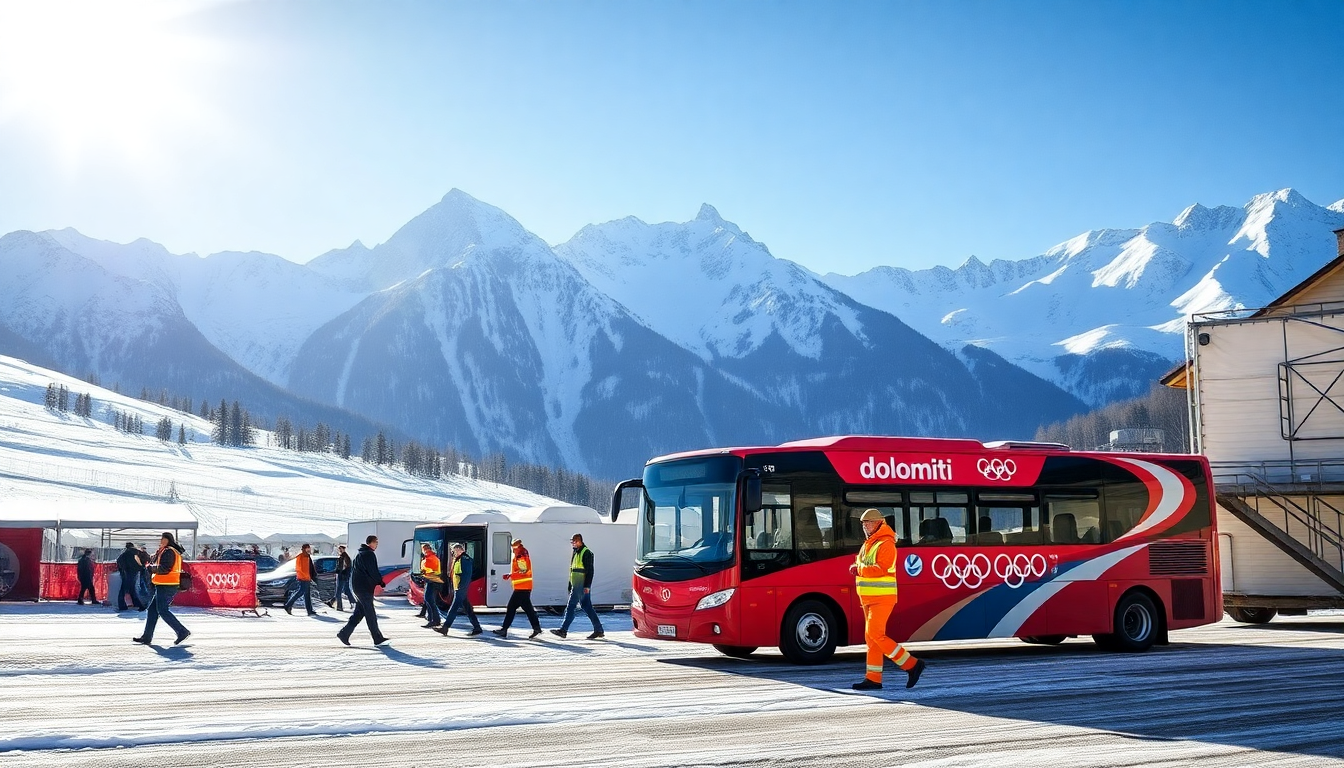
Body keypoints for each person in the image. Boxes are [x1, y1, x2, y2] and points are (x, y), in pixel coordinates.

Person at [850, 509, 925, 690]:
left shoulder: (886, 543)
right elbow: (863, 564)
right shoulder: (869, 544)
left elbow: (881, 568)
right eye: (863, 524)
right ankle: (873, 679)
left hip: (882, 598)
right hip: (868, 598)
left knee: (876, 634)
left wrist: (859, 569)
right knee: (872, 639)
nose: (865, 526)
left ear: (878, 523)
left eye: (868, 523)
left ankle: (912, 665)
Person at [134, 532, 190, 646]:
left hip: (167, 585)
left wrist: (151, 569)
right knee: (152, 610)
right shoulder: (167, 550)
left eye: (162, 538)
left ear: (167, 539)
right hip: (165, 584)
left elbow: (165, 568)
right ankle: (147, 636)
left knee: (162, 610)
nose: (160, 541)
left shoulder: (169, 551)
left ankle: (182, 631)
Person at [337, 535, 388, 646]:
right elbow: (372, 571)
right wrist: (380, 581)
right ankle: (377, 637)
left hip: (358, 587)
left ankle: (344, 634)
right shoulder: (368, 554)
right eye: (376, 542)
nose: (377, 545)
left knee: (359, 613)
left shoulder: (360, 553)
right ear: (370, 543)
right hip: (364, 588)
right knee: (370, 613)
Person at [551, 534, 604, 640]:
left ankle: (563, 630)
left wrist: (587, 586)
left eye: (573, 542)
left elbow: (590, 571)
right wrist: (570, 585)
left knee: (571, 606)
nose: (572, 544)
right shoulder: (576, 552)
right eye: (572, 542)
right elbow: (573, 570)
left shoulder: (586, 553)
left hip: (581, 585)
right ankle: (599, 630)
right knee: (587, 607)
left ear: (579, 541)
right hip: (577, 584)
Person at [492, 538, 542, 639]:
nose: (513, 550)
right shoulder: (522, 554)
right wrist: (511, 575)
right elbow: (523, 570)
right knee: (528, 609)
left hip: (522, 587)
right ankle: (536, 628)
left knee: (511, 607)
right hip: (524, 586)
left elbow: (523, 571)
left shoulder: (521, 556)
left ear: (517, 547)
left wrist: (511, 576)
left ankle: (504, 629)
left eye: (513, 548)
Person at [435, 543, 482, 636]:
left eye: (454, 550)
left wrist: (461, 587)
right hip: (458, 588)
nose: (453, 553)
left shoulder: (465, 560)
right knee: (468, 609)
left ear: (459, 549)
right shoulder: (458, 559)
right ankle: (477, 627)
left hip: (460, 588)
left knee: (453, 608)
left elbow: (466, 575)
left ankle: (445, 627)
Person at [284, 543, 317, 616]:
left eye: (309, 548)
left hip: (307, 578)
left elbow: (310, 567)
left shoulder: (308, 556)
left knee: (307, 595)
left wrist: (311, 576)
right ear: (304, 549)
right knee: (300, 592)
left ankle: (309, 610)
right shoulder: (300, 557)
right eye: (308, 548)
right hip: (303, 578)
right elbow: (299, 568)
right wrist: (305, 576)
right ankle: (288, 605)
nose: (309, 549)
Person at [419, 543, 444, 629]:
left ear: (425, 549)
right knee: (428, 600)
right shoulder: (430, 558)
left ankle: (435, 620)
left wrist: (423, 574)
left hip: (432, 581)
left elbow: (430, 571)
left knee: (429, 600)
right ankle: (432, 619)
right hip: (432, 581)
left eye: (422, 549)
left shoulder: (430, 558)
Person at [115, 542, 146, 612]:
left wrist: (122, 569)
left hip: (126, 573)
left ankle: (122, 605)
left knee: (124, 590)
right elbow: (138, 563)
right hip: (133, 573)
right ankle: (139, 605)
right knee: (132, 589)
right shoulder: (135, 553)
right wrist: (141, 568)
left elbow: (119, 561)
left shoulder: (124, 554)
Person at [328, 544, 355, 611]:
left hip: (342, 576)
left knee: (338, 592)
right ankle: (353, 603)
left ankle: (339, 606)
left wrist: (339, 572)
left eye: (340, 549)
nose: (339, 550)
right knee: (346, 590)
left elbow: (344, 568)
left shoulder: (344, 557)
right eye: (339, 549)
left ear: (343, 549)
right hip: (344, 576)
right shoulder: (344, 557)